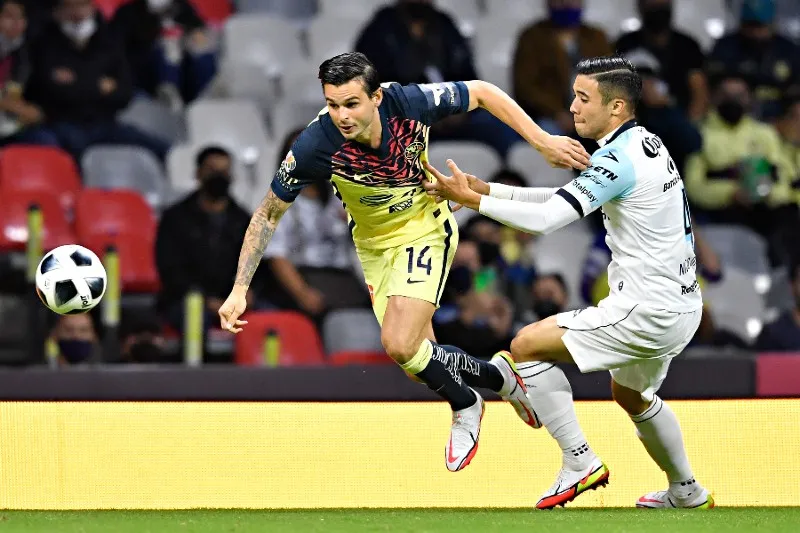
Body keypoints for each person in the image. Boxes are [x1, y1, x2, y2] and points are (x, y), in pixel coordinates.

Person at [218, 52, 590, 471]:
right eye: (333, 104)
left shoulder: (410, 103)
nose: (340, 115)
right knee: (417, 360)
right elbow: (268, 213)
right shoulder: (314, 145)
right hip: (373, 246)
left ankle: (467, 404)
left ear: (376, 97)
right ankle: (500, 377)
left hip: (423, 225)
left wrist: (542, 142)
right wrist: (239, 289)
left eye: (351, 103)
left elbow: (483, 92)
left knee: (398, 342)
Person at [423, 56, 714, 509]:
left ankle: (579, 461)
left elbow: (545, 219)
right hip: (681, 305)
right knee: (632, 394)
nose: (572, 108)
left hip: (647, 309)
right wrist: (488, 192)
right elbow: (561, 199)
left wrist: (472, 202)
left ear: (616, 108)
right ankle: (687, 490)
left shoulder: (618, 157)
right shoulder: (643, 144)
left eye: (583, 98)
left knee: (525, 345)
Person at [156, 146, 256, 334]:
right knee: (195, 317)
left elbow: (255, 266)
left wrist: (247, 294)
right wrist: (207, 301)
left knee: (268, 317)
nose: (219, 176)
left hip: (233, 300)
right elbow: (171, 271)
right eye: (212, 170)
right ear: (198, 173)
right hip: (186, 300)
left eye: (224, 171)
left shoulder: (243, 220)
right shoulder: (175, 218)